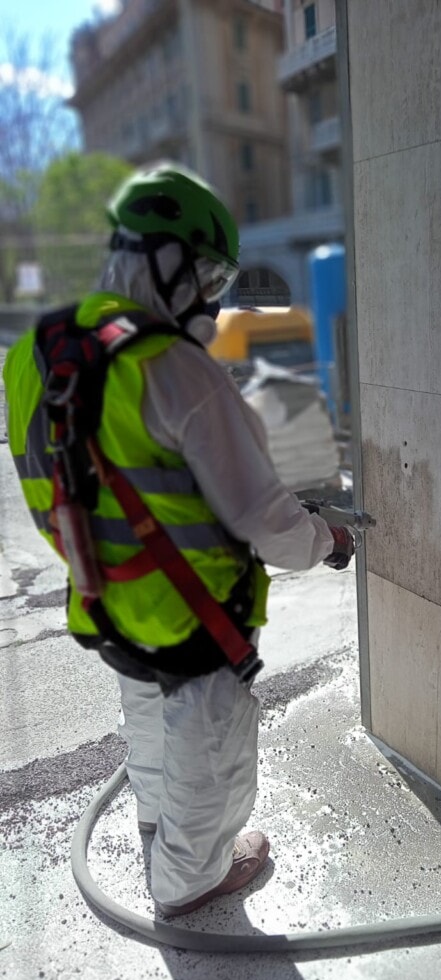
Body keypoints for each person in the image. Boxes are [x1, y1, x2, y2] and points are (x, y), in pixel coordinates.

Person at [3, 162, 355, 917]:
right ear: (164, 263)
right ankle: (191, 880)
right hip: (196, 618)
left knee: (148, 728)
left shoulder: (36, 352)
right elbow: (268, 523)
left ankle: (156, 831)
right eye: (206, 274)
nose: (213, 296)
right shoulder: (174, 368)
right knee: (213, 758)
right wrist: (327, 540)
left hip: (106, 601)